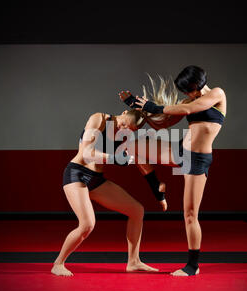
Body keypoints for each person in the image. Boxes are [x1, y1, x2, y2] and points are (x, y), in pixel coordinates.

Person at [119, 66, 227, 276]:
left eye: (189, 90)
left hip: (196, 160)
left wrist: (156, 106)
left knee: (189, 215)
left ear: (198, 84)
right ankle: (157, 188)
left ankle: (192, 266)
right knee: (134, 145)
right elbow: (163, 124)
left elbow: (189, 110)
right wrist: (139, 110)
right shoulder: (187, 101)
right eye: (185, 92)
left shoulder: (217, 94)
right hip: (179, 151)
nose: (186, 95)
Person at [51, 109, 163, 276]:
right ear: (123, 112)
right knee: (87, 224)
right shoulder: (99, 119)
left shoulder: (123, 136)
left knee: (137, 211)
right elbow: (86, 153)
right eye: (124, 123)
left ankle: (133, 262)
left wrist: (159, 193)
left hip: (96, 179)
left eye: (129, 129)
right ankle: (58, 264)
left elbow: (142, 165)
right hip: (77, 174)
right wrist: (115, 159)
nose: (123, 127)